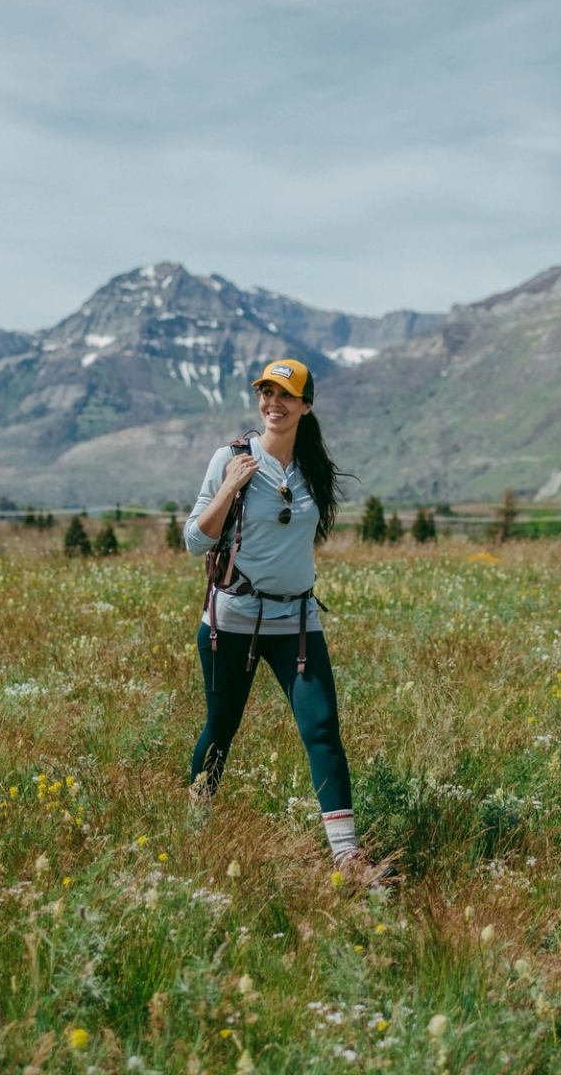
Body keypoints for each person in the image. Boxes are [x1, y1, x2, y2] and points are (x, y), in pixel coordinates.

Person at [183, 358, 378, 875]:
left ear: (305, 406)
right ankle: (195, 827)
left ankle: (347, 856)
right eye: (266, 393)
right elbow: (194, 539)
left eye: (285, 395)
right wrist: (228, 487)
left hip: (297, 622)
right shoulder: (230, 457)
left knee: (322, 730)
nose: (273, 403)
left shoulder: (313, 468)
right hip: (231, 621)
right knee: (221, 729)